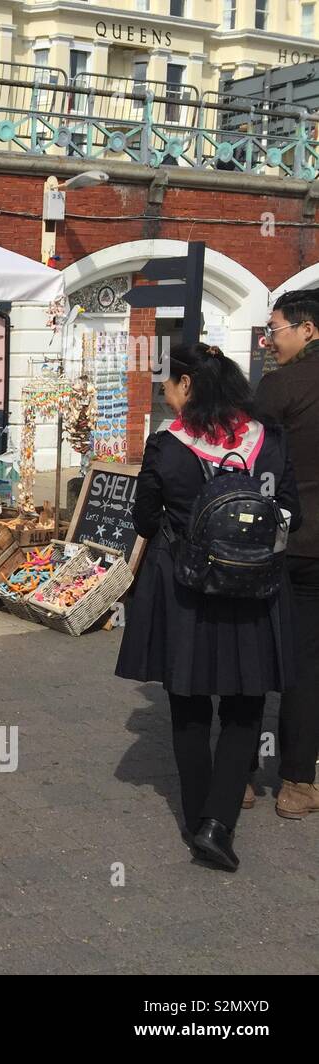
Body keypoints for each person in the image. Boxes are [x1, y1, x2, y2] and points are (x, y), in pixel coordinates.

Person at [116, 344, 300, 872]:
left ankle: (199, 820)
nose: (165, 394)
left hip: (186, 591)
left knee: (189, 703)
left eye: (167, 385)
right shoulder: (267, 441)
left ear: (188, 386)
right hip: (256, 590)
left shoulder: (168, 447)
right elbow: (293, 513)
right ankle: (220, 822)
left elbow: (145, 520)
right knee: (245, 705)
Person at [253, 292, 319, 820]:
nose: (269, 339)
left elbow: (250, 459)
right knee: (306, 660)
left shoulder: (279, 387)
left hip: (279, 540)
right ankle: (298, 779)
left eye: (275, 329)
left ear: (308, 330)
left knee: (255, 651)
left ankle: (241, 774)